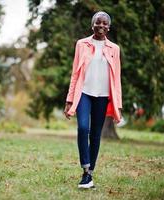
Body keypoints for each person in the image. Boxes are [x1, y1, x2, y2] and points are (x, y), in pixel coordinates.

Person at [64, 11, 122, 189]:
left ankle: (88, 174)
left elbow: (116, 78)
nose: (101, 26)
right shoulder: (82, 44)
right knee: (83, 128)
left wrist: (118, 105)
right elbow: (75, 73)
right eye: (98, 23)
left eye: (105, 23)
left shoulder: (114, 49)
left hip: (103, 96)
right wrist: (69, 99)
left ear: (109, 27)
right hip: (84, 93)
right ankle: (85, 166)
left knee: (95, 134)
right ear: (92, 25)